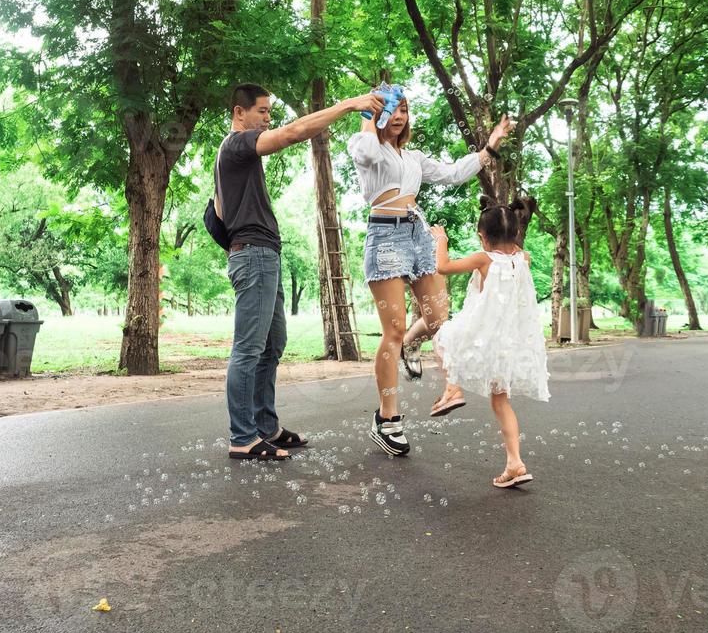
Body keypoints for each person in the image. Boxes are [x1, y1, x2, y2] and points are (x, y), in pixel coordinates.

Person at [218, 83, 384, 461]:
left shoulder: (237, 158)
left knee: (272, 345)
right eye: (262, 111)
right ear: (239, 113)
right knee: (248, 349)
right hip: (255, 256)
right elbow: (292, 133)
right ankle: (242, 437)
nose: (268, 119)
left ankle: (265, 427)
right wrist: (347, 105)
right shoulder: (236, 144)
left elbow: (219, 210)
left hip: (261, 254)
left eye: (269, 113)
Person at [347, 90, 511, 456]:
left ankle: (416, 349)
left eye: (404, 110)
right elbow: (367, 152)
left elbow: (454, 173)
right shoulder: (364, 143)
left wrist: (491, 147)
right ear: (377, 113)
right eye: (392, 109)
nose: (399, 116)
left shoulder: (414, 158)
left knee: (440, 320)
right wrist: (371, 115)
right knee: (392, 329)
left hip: (418, 235)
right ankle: (387, 419)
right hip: (385, 238)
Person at [430, 198, 550, 488]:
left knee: (441, 339)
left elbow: (442, 267)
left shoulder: (484, 259)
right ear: (515, 234)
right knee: (501, 402)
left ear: (483, 237)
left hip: (482, 338)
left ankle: (453, 389)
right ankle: (515, 463)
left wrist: (440, 238)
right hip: (509, 346)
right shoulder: (524, 258)